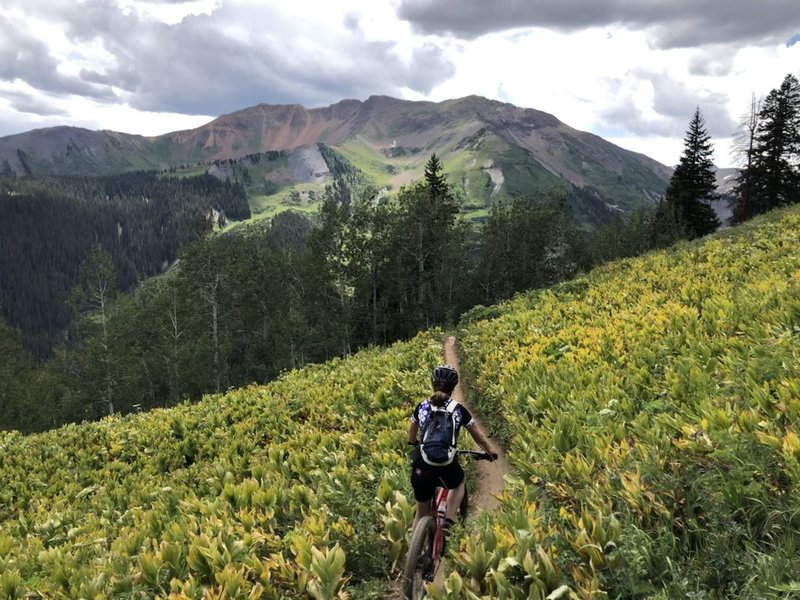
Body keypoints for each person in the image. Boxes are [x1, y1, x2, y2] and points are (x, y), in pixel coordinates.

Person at [407, 364, 495, 534]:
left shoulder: (422, 406)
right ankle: (448, 520)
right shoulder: (458, 410)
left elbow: (411, 433)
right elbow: (479, 437)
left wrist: (413, 443)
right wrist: (490, 452)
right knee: (459, 482)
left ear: (433, 383)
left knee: (420, 513)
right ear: (453, 388)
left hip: (422, 468)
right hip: (446, 466)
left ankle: (413, 553)